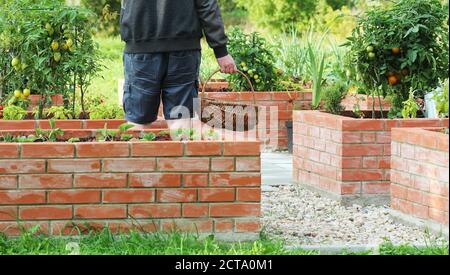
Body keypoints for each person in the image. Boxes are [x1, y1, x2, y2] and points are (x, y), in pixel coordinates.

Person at [120, 0, 237, 130]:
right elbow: (206, 5)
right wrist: (220, 51)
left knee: (138, 120)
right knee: (180, 120)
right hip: (183, 50)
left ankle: (135, 148)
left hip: (141, 47)